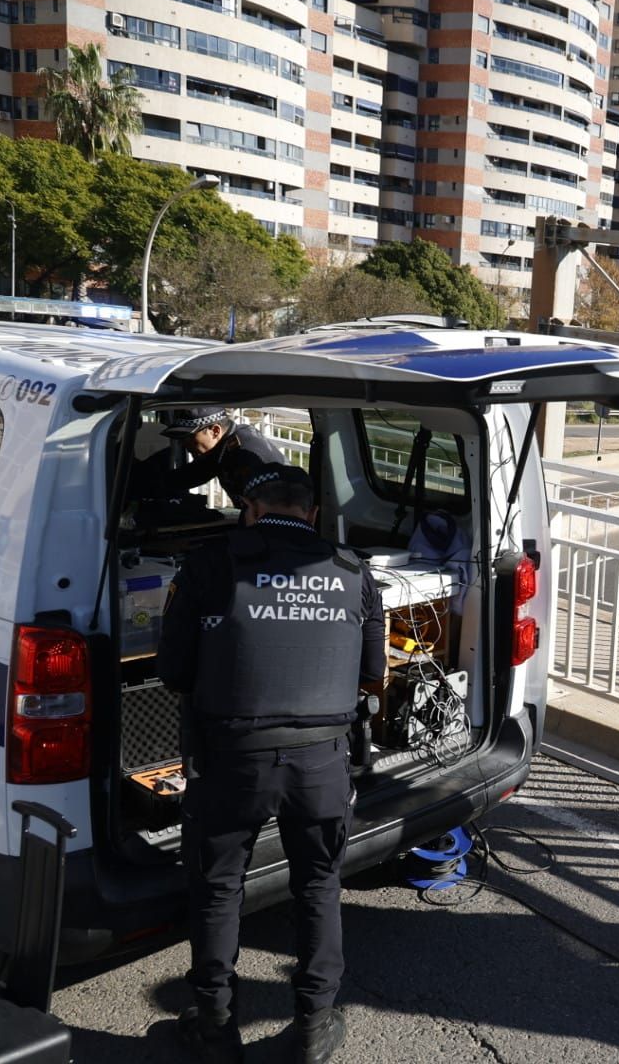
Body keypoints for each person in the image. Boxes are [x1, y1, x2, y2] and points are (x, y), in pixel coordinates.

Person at [157, 463, 385, 1064]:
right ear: (311, 512)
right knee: (318, 886)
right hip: (322, 763)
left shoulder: (208, 564)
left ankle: (214, 1027)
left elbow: (174, 672)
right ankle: (312, 1027)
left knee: (218, 889)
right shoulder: (352, 570)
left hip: (231, 759)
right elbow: (374, 673)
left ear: (249, 510)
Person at [147, 408, 284, 508]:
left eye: (189, 437)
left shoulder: (244, 455)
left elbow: (267, 510)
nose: (184, 444)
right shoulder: (222, 447)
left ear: (215, 431)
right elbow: (188, 476)